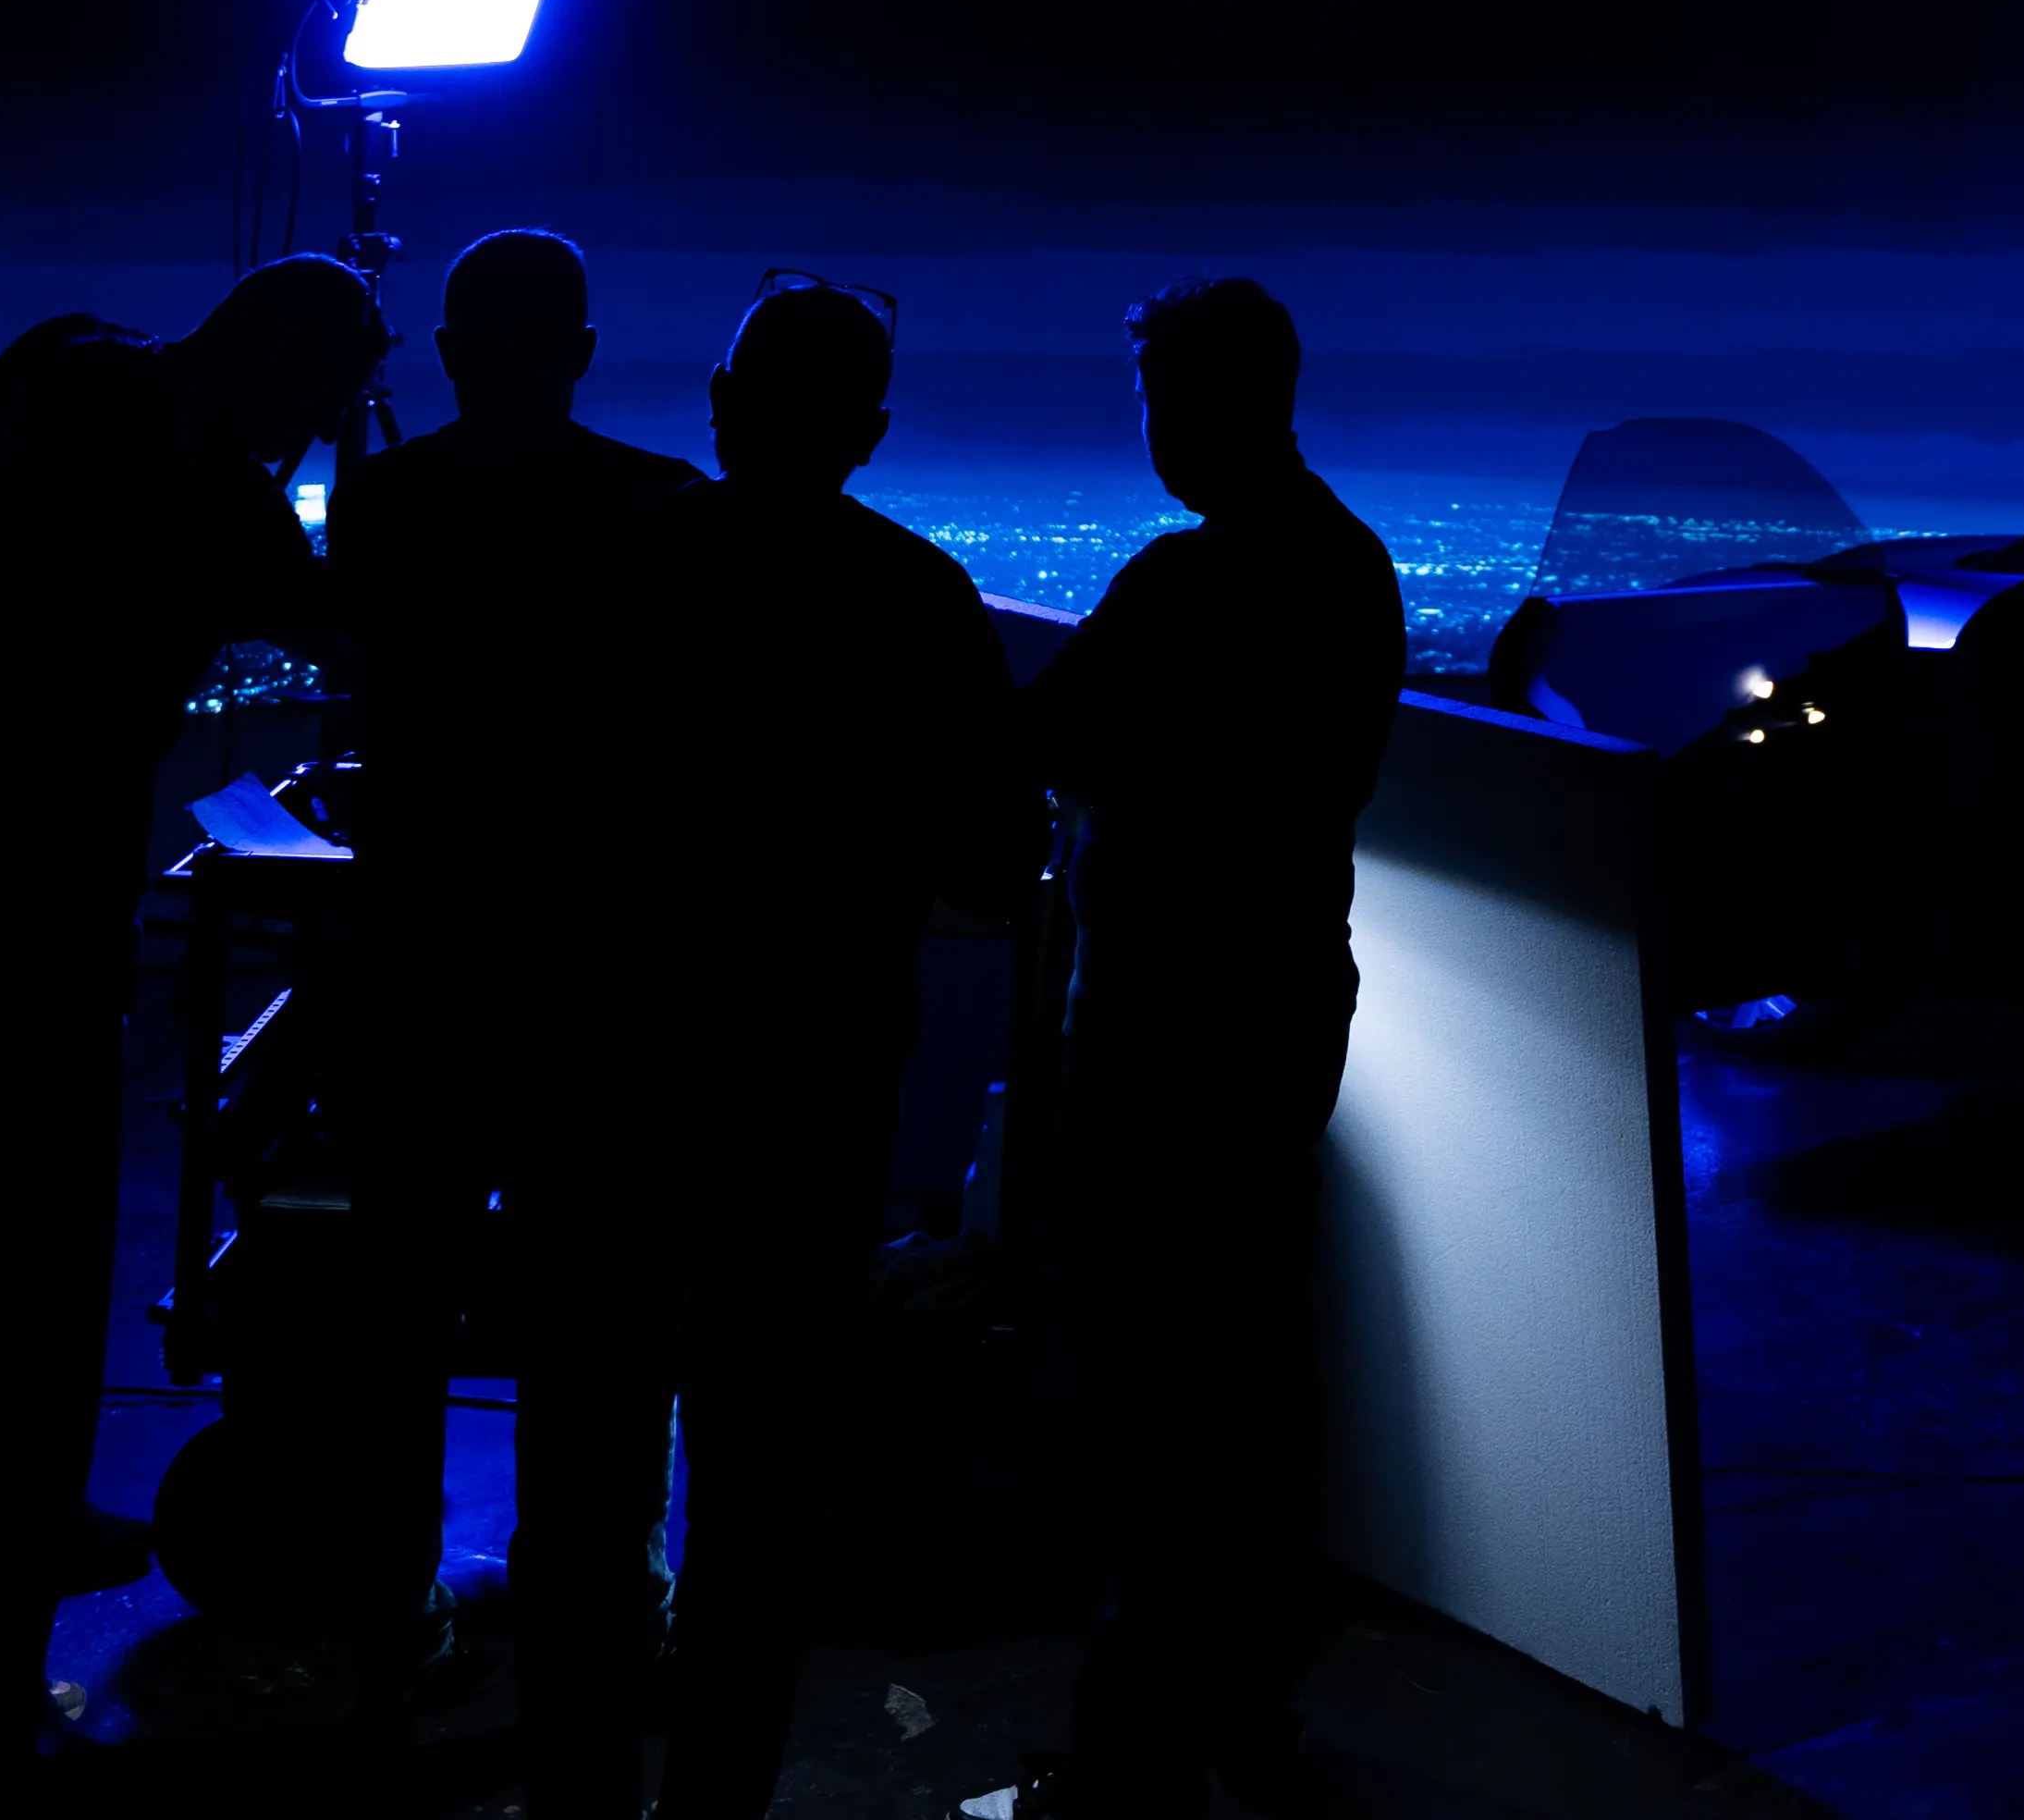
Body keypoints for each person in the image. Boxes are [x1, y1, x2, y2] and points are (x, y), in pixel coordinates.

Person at [0, 252, 383, 1763]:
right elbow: (324, 620)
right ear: (281, 369)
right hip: (8, 857)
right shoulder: (171, 452)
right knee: (19, 1212)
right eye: (317, 405)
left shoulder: (80, 367)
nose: (308, 438)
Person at [503, 269, 1032, 1820]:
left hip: (605, 1071)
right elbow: (996, 865)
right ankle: (716, 1799)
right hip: (811, 1082)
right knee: (759, 1474)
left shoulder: (605, 567)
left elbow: (520, 813)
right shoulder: (918, 601)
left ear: (724, 405)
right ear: (869, 432)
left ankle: (574, 1788)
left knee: (581, 1459)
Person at [1021, 277, 1402, 1818]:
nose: (1154, 434)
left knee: (1144, 1374)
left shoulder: (1187, 582)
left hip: (1156, 1023)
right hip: (1283, 1002)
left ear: (1198, 403)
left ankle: (1138, 1732)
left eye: (1160, 401)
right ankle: (1248, 1693)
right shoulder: (1354, 567)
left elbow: (1043, 741)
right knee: (1249, 1357)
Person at [318, 231, 700, 1685]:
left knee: (399, 1293)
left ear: (449, 352)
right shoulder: (662, 506)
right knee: (601, 1302)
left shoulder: (382, 502)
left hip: (421, 943)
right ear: (581, 353)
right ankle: (599, 1604)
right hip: (599, 962)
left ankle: (385, 1606)